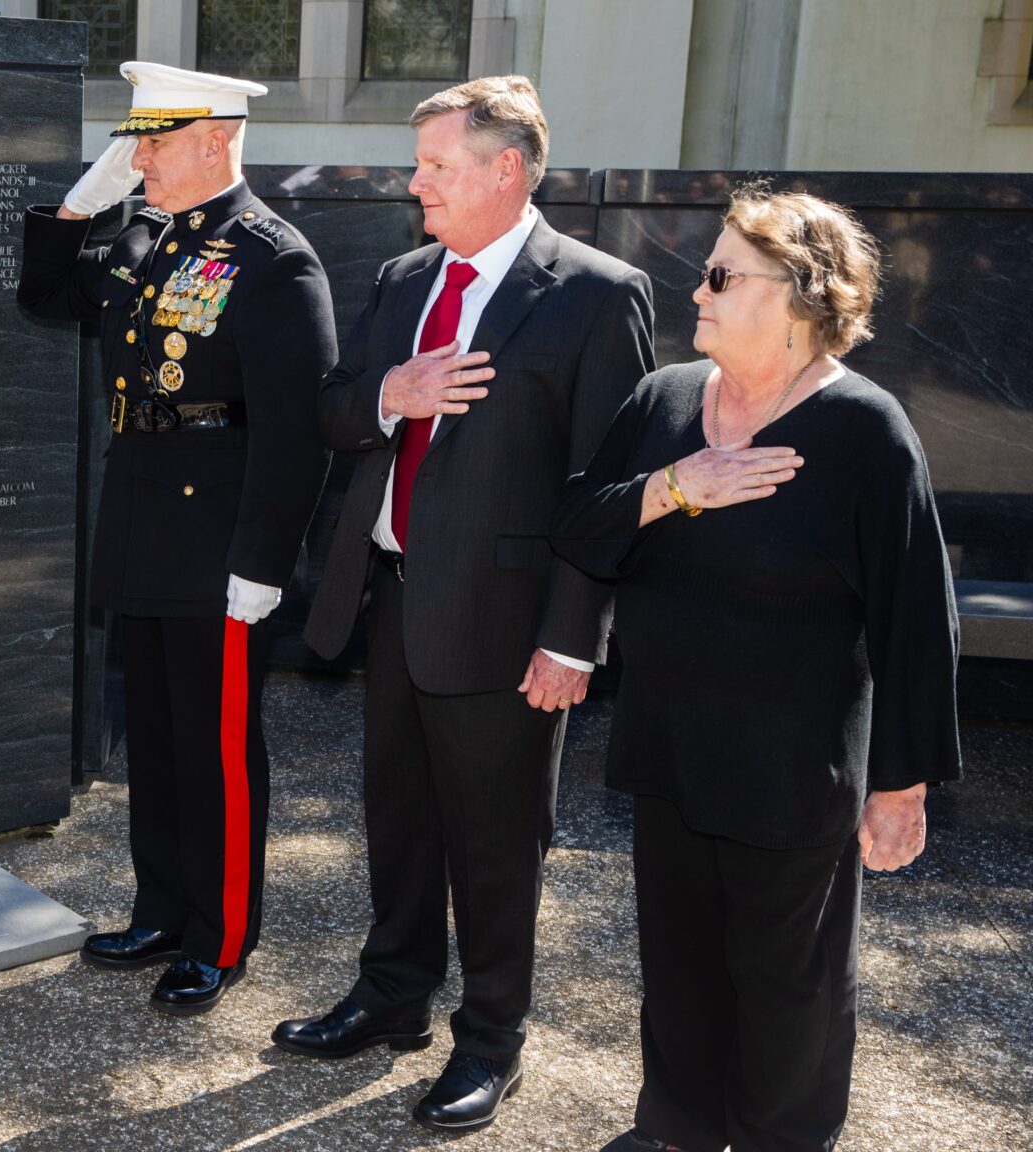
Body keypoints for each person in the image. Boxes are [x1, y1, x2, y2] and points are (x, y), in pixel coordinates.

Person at [275, 75, 655, 1132]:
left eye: (437, 166)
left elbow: (602, 490)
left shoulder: (592, 293)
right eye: (418, 164)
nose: (415, 183)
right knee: (395, 821)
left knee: (493, 843)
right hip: (390, 600)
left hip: (506, 624)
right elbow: (336, 411)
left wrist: (571, 642)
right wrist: (389, 396)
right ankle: (391, 997)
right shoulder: (402, 278)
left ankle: (490, 1039)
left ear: (505, 169)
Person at [552, 187, 960, 1152]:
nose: (699, 288)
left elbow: (915, 621)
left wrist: (901, 785)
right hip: (670, 746)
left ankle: (782, 1137)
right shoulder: (663, 401)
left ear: (801, 297)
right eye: (707, 268)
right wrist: (670, 489)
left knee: (789, 984)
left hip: (791, 766)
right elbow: (579, 525)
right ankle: (679, 1128)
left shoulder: (865, 431)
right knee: (680, 963)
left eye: (725, 274)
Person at [17, 60, 333, 1015]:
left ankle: (221, 934)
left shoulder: (274, 259)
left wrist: (263, 564)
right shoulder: (146, 236)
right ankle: (161, 907)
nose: (137, 157)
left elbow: (299, 429)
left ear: (216, 139)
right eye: (135, 141)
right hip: (146, 514)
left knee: (217, 747)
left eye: (153, 142)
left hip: (220, 537)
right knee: (153, 737)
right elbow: (46, 297)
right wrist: (81, 208)